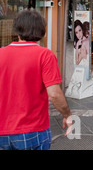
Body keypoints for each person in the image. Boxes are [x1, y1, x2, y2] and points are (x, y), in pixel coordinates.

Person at [0, 10, 72, 150]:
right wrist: (67, 115)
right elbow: (54, 94)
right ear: (42, 31)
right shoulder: (45, 55)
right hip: (32, 130)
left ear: (17, 30)